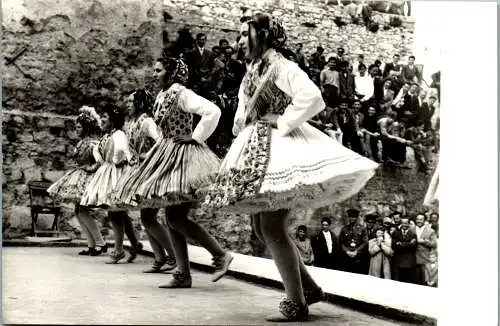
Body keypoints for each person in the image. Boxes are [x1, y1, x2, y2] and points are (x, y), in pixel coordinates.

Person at [202, 13, 378, 321]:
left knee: (270, 227)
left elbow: (311, 97)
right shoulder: (255, 68)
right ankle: (309, 289)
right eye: (240, 35)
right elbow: (242, 115)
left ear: (265, 36)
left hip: (276, 147)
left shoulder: (281, 66)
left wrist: (282, 121)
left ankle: (297, 302)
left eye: (246, 34)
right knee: (260, 227)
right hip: (256, 143)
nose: (240, 40)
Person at [114, 57, 233, 287]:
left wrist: (196, 137)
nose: (153, 74)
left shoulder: (182, 93)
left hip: (183, 158)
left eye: (158, 70)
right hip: (167, 154)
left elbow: (212, 111)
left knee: (176, 218)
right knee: (171, 218)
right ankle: (182, 273)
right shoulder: (162, 96)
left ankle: (220, 255)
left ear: (171, 73)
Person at [110, 89, 177, 272]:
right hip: (138, 171)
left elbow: (161, 140)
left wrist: (146, 155)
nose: (128, 105)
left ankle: (172, 256)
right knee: (146, 218)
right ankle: (160, 258)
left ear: (139, 103)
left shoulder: (147, 121)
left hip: (150, 171)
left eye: (131, 101)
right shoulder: (131, 122)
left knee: (148, 218)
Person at [80, 103, 143, 264]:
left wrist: (121, 161)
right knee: (118, 213)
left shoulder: (119, 135)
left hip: (116, 175)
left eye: (105, 117)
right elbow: (103, 156)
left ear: (113, 120)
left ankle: (119, 250)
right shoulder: (109, 135)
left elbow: (124, 153)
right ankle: (134, 244)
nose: (102, 119)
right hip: (108, 172)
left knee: (115, 213)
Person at [47, 106, 107, 256]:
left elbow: (100, 162)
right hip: (78, 175)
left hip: (88, 178)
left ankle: (100, 242)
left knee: (83, 209)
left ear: (86, 128)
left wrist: (90, 168)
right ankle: (91, 244)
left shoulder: (93, 143)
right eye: (76, 126)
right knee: (78, 210)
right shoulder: (81, 143)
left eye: (79, 127)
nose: (76, 129)